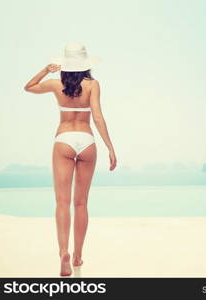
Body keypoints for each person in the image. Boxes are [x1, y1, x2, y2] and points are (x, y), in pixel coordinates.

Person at [24, 42, 117, 276]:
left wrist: (46, 70)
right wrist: (110, 147)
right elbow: (97, 116)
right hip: (86, 141)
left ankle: (63, 252)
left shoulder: (57, 84)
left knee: (62, 202)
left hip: (64, 139)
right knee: (81, 203)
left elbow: (29, 87)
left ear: (65, 64)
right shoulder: (93, 85)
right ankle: (78, 256)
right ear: (85, 65)